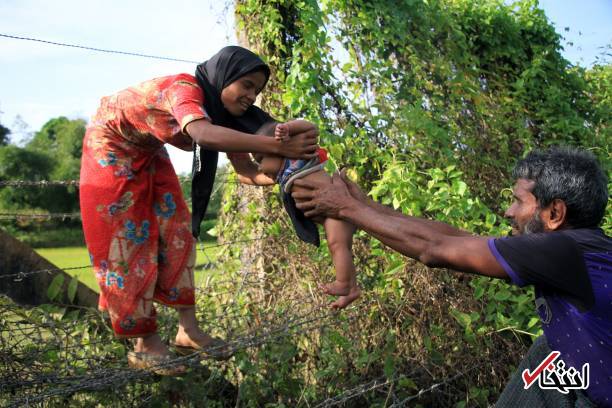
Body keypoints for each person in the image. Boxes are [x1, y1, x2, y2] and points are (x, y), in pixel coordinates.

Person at [291, 147, 611, 407]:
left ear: (554, 214)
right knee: (546, 354)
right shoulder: (579, 247)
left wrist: (345, 208)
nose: (508, 212)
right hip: (579, 370)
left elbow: (435, 248)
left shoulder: (562, 252)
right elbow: (458, 240)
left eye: (518, 201)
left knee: (548, 356)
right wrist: (364, 206)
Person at [79, 46, 319, 375]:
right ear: (225, 75)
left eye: (257, 91)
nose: (252, 95)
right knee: (125, 240)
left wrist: (285, 174)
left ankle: (187, 330)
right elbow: (202, 134)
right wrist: (277, 146)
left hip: (148, 149)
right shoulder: (185, 89)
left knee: (178, 231)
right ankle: (144, 345)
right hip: (110, 145)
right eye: (247, 84)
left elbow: (246, 171)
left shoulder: (221, 116)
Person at [242, 120, 360, 309]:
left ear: (278, 148)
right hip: (330, 215)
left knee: (337, 245)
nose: (260, 168)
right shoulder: (282, 174)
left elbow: (310, 127)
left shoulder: (298, 157)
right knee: (339, 248)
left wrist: (289, 129)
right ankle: (351, 288)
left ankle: (344, 283)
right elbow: (247, 176)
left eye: (260, 160)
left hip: (337, 210)